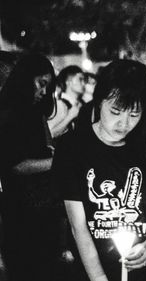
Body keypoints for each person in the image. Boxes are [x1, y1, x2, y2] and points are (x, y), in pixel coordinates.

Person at [52, 60, 146, 281]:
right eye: (116, 111)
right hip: (92, 269)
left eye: (134, 114)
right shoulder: (72, 147)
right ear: (99, 101)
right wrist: (99, 277)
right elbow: (78, 226)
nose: (123, 123)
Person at [0, 53, 62, 281]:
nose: (44, 91)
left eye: (49, 85)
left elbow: (45, 147)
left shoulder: (36, 113)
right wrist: (59, 161)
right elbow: (14, 165)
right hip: (22, 209)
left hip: (44, 208)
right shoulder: (10, 116)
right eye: (41, 83)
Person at [48, 65, 85, 138]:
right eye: (80, 79)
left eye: (84, 80)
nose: (83, 83)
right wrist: (70, 117)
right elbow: (50, 134)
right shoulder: (60, 104)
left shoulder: (80, 104)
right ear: (68, 82)